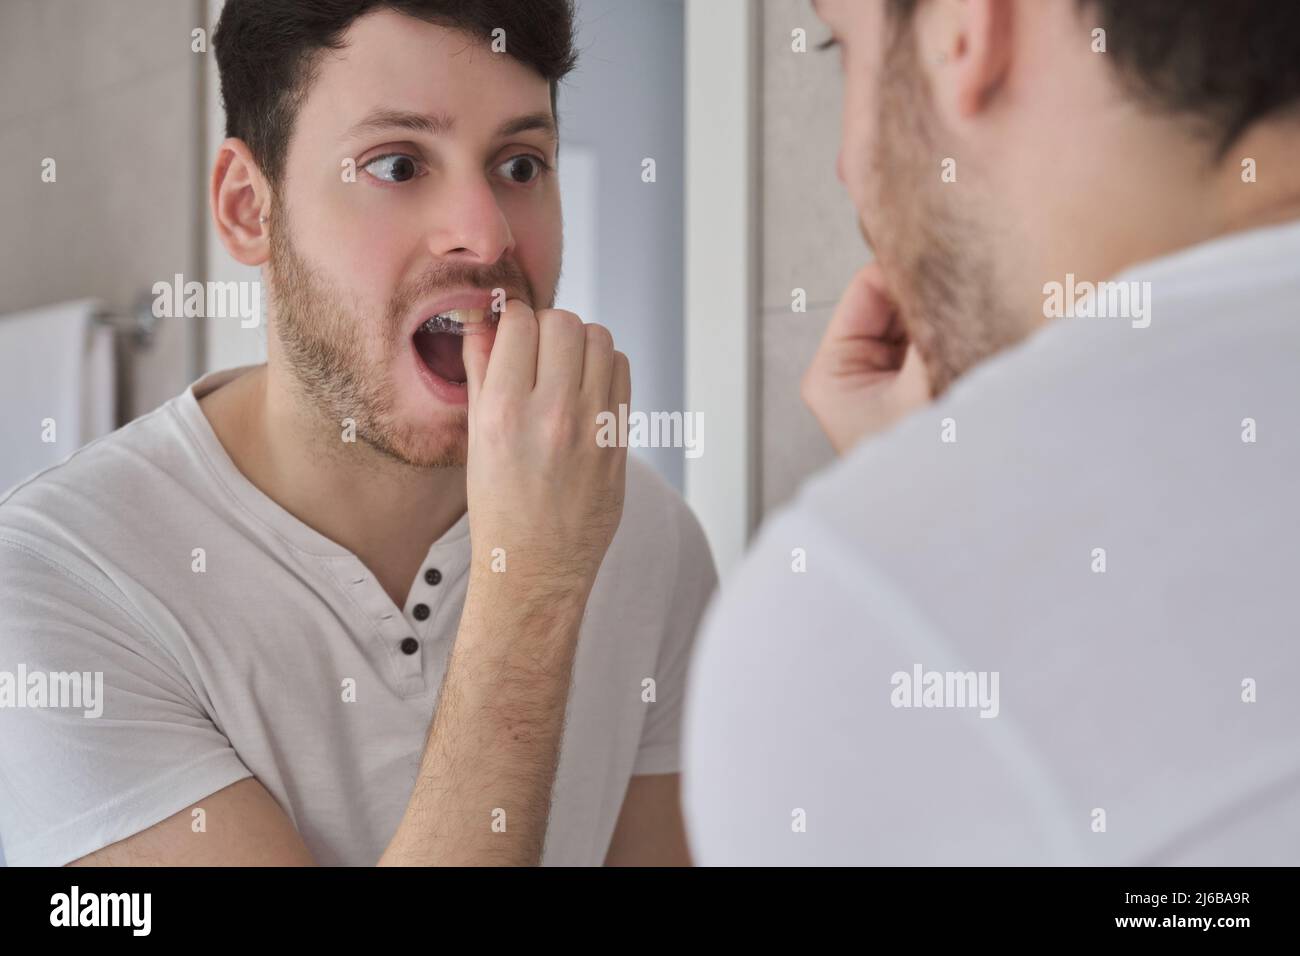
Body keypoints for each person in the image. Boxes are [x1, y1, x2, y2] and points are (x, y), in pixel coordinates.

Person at [0, 0, 715, 867]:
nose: (485, 232)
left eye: (521, 164)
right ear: (247, 209)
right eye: (399, 163)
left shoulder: (650, 537)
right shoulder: (53, 583)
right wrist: (532, 587)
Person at [684, 0, 1300, 865]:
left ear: (963, 29)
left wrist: (921, 549)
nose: (843, 165)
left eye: (843, 44)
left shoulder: (842, 630)